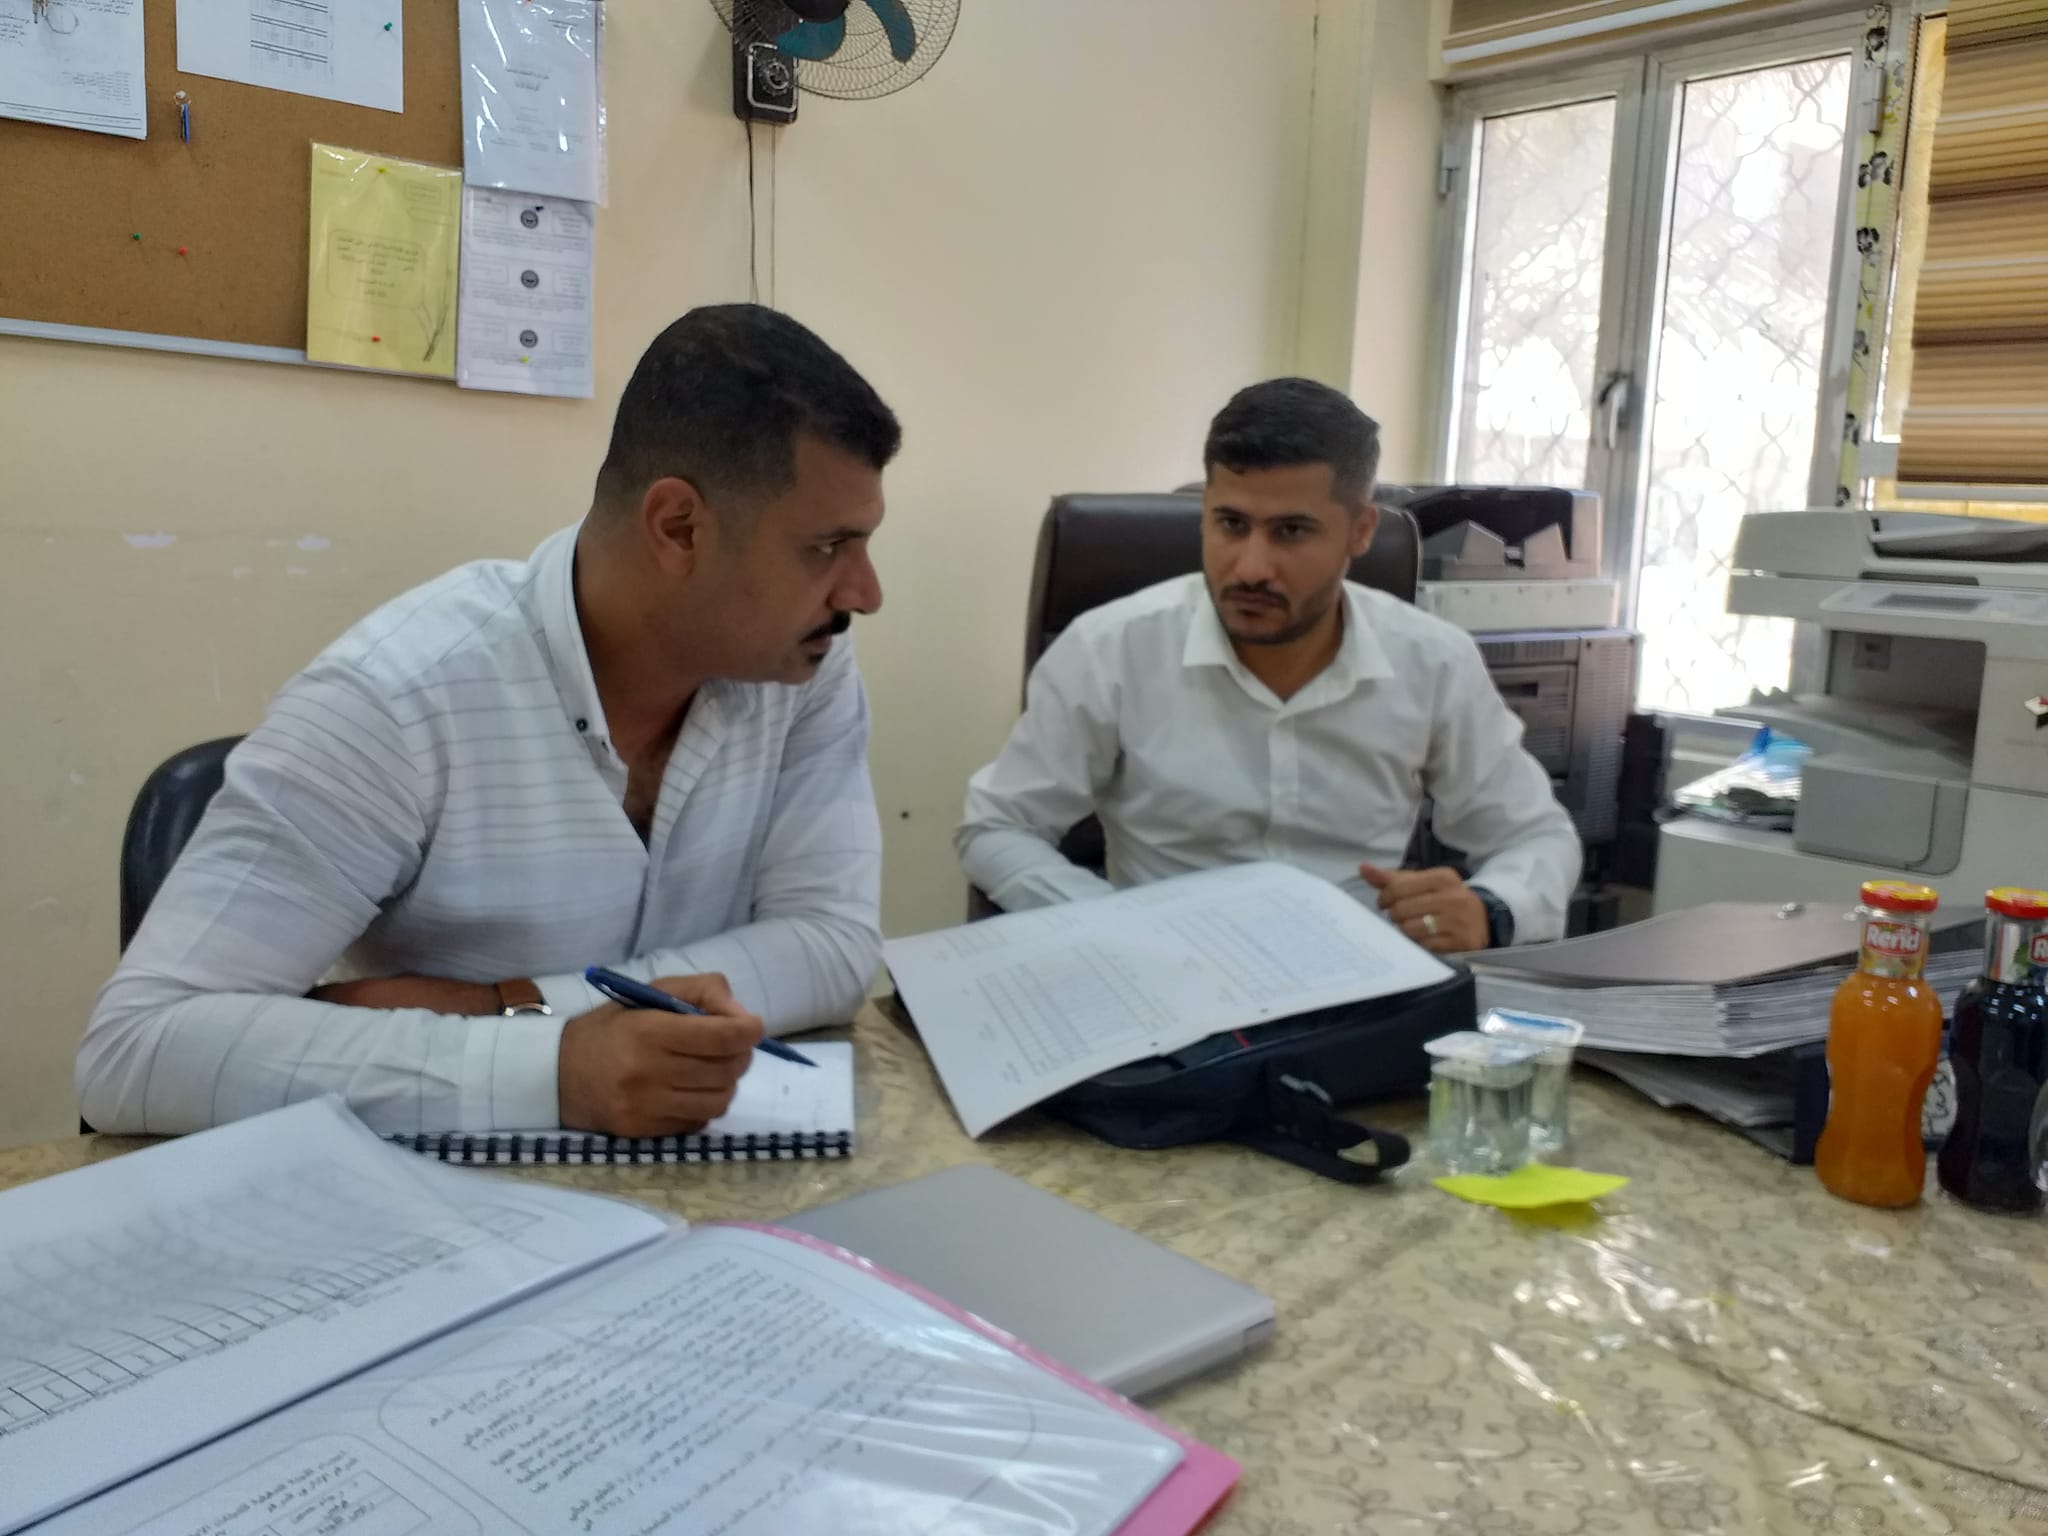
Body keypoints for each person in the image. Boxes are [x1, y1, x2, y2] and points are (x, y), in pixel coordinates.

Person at [80, 305, 899, 1138]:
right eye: (827, 547)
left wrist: (509, 1009)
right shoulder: (394, 700)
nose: (864, 593)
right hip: (436, 1196)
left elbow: (832, 946)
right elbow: (134, 1049)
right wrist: (556, 1072)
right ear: (678, 528)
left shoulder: (803, 669)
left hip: (703, 1187)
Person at [957, 377, 1580, 951]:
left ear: (1360, 531)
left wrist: (1492, 909)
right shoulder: (1111, 649)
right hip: (1167, 975)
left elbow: (1535, 835)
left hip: (1358, 977)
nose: (1251, 567)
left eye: (1291, 532)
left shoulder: (1432, 660)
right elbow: (997, 826)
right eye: (1231, 524)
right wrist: (1107, 922)